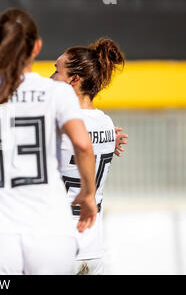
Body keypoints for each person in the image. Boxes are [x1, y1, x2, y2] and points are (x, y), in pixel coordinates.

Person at [0, 8, 98, 274]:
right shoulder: (57, 92)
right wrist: (88, 193)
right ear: (37, 47)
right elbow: (84, 145)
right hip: (49, 230)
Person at [51, 37, 126, 275]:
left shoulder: (58, 121)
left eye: (56, 71)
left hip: (58, 246)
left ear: (74, 79)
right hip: (93, 248)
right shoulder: (106, 122)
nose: (50, 78)